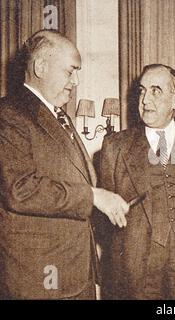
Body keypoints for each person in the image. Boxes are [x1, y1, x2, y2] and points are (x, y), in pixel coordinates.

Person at [0, 30, 129, 300]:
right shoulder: (9, 114)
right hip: (38, 280)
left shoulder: (61, 117)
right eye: (71, 71)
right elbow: (20, 189)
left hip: (75, 273)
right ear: (40, 66)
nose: (76, 81)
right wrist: (93, 196)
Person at [98, 64, 175, 299]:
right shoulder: (115, 146)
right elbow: (103, 220)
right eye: (142, 91)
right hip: (135, 272)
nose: (145, 100)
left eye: (155, 91)